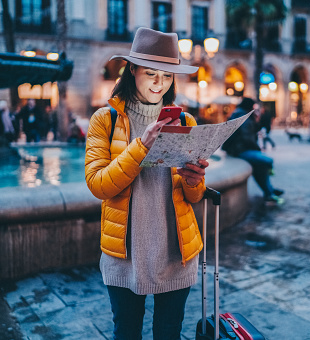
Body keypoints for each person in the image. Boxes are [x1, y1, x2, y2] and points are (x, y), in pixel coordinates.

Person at [84, 27, 207, 339]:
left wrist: (195, 180)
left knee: (169, 333)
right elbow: (98, 184)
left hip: (176, 252)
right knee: (126, 332)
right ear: (133, 70)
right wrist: (141, 146)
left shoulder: (186, 122)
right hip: (125, 255)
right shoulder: (105, 119)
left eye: (167, 76)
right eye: (151, 73)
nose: (159, 83)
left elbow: (193, 196)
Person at [222, 97, 284, 205]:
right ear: (249, 106)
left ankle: (269, 191)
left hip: (239, 149)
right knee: (267, 161)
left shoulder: (239, 114)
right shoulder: (243, 116)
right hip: (240, 150)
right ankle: (269, 190)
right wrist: (257, 149)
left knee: (259, 166)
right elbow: (247, 138)